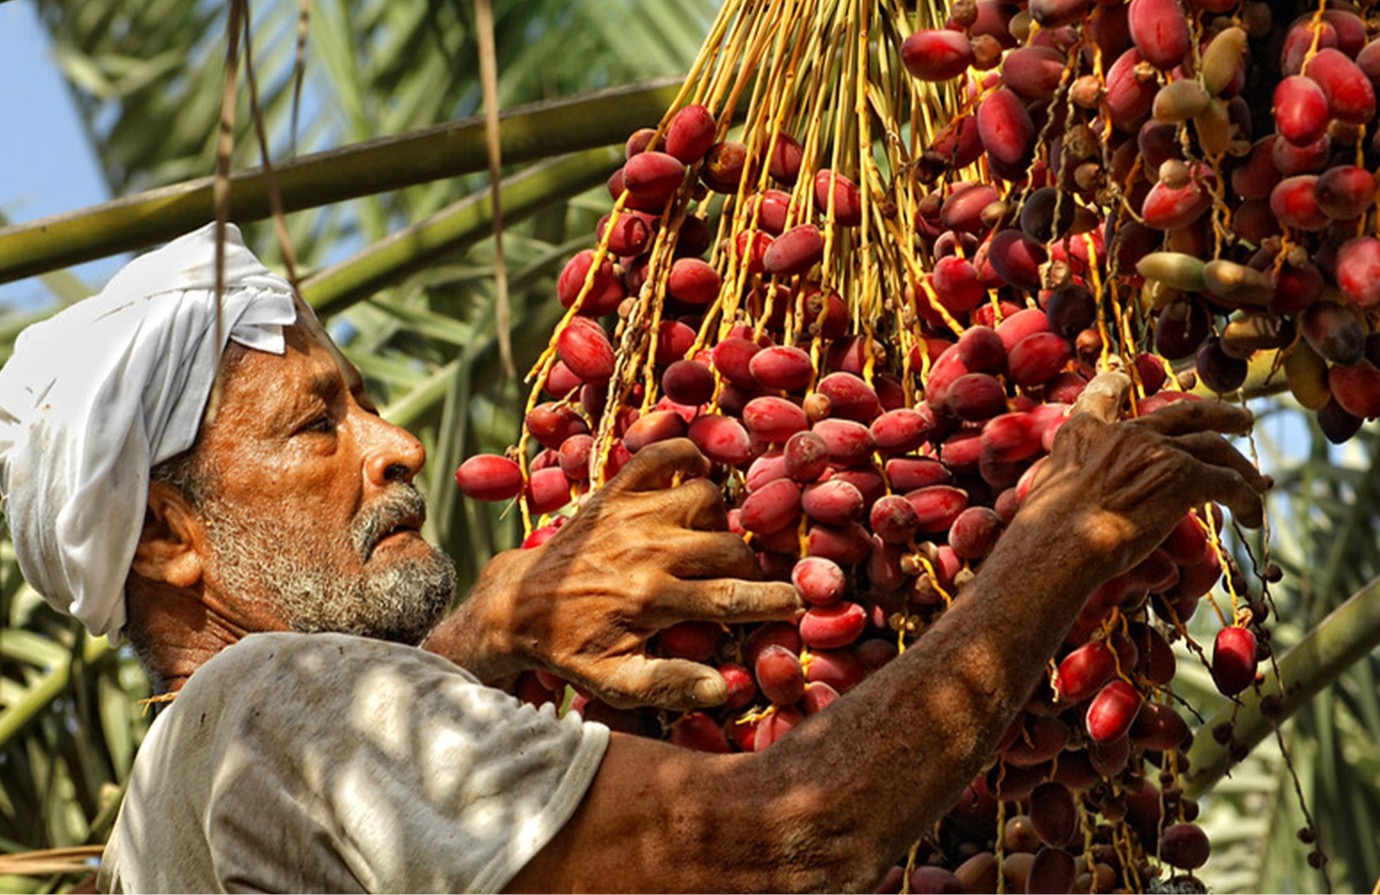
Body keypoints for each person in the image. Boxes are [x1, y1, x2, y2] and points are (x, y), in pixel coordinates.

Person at [0, 223, 1267, 893]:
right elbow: (800, 834)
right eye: (316, 424)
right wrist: (1059, 545)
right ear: (168, 539)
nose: (396, 446)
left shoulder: (156, 819)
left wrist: (484, 630)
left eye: (369, 401)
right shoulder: (279, 709)